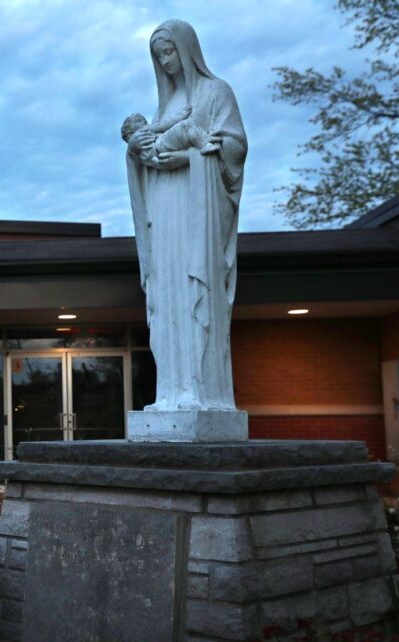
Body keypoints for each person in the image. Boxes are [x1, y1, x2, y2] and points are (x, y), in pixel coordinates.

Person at [125, 19, 247, 411]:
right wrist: (136, 155)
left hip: (197, 202)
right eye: (158, 56)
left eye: (169, 51)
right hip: (162, 205)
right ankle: (170, 393)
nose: (165, 61)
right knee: (169, 292)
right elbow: (145, 152)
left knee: (195, 287)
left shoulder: (215, 92)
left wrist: (187, 158)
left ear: (187, 48)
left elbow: (234, 147)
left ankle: (202, 392)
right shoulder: (164, 106)